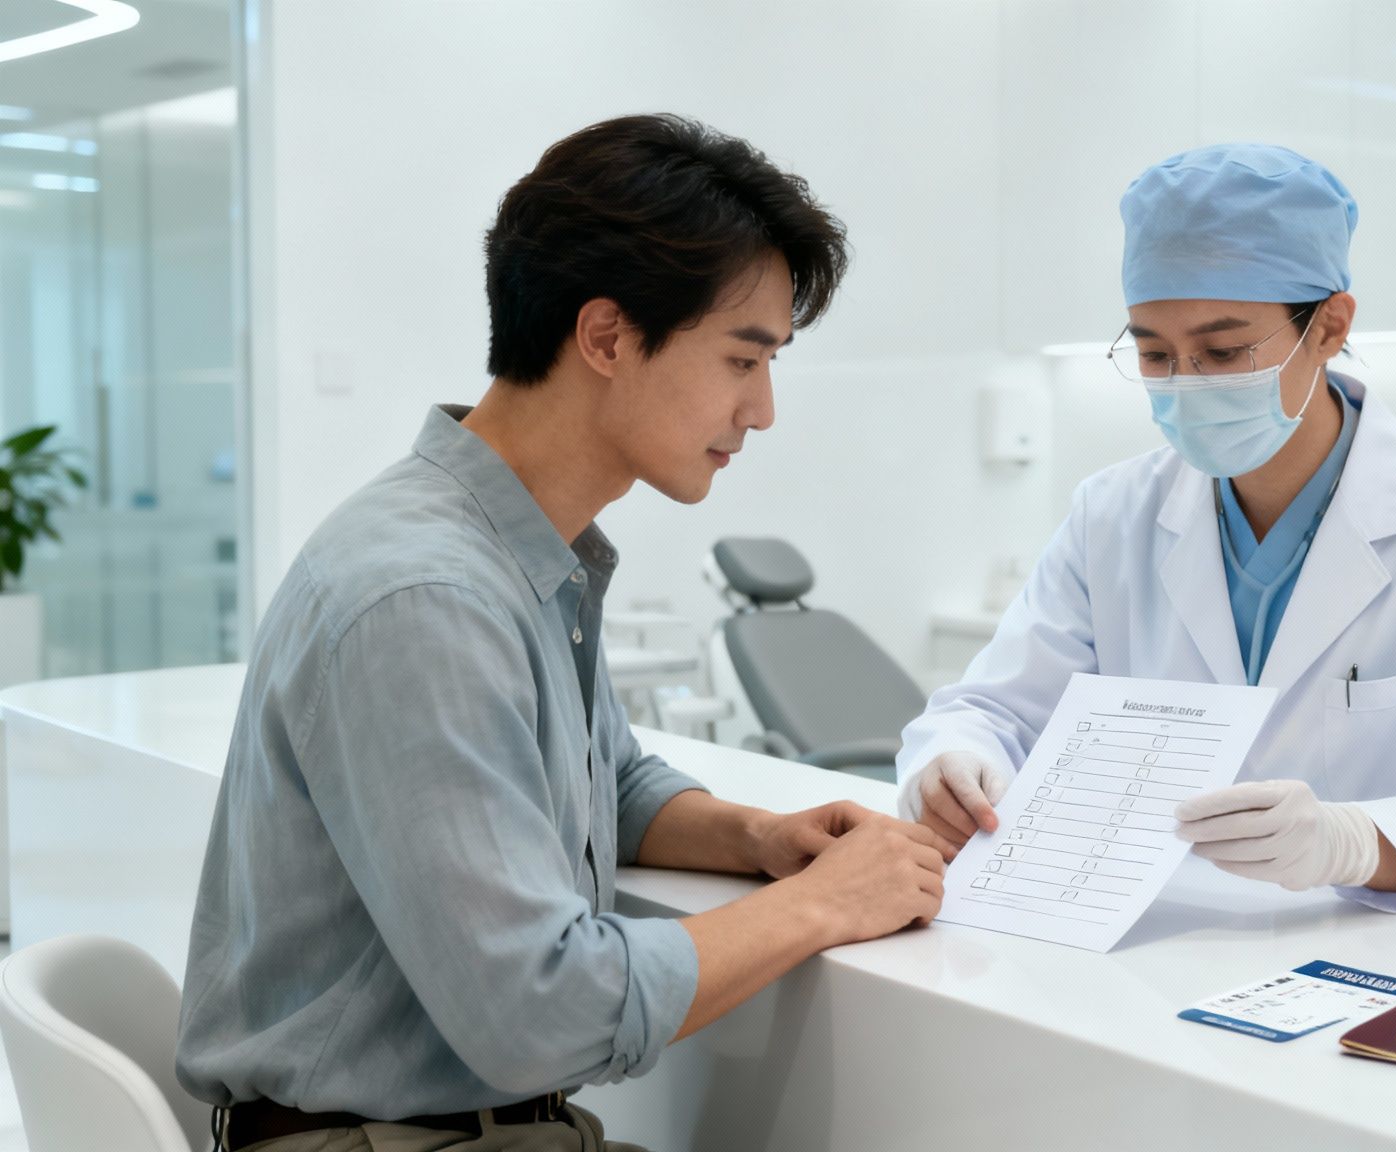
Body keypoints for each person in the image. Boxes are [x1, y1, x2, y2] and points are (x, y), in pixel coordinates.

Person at [177, 115, 951, 1152]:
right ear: (605, 337)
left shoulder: (515, 548)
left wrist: (761, 838)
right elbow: (539, 1013)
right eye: (741, 358)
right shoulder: (426, 598)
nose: (760, 411)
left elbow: (607, 785)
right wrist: (821, 906)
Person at [898, 143, 1396, 912]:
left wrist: (1353, 841)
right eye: (1155, 353)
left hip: (1374, 950)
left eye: (1224, 351)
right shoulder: (1112, 515)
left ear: (1329, 326)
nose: (1185, 384)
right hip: (1148, 934)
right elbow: (991, 709)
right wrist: (955, 762)